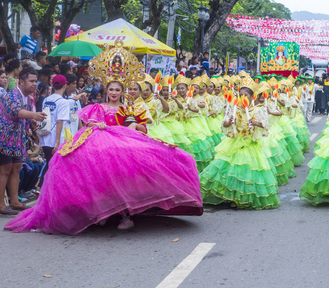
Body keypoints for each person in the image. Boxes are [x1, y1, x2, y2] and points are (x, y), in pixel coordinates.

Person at [5, 40, 202, 233]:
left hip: (122, 149)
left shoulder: (129, 108)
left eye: (117, 90)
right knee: (87, 171)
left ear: (122, 91)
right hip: (100, 147)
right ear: (106, 90)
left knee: (127, 178)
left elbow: (140, 128)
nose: (114, 93)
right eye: (111, 89)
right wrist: (96, 124)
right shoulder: (97, 107)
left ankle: (126, 215)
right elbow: (87, 123)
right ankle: (99, 211)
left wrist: (134, 125)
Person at [200, 77, 280, 209]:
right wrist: (228, 122)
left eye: (246, 95)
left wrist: (256, 123)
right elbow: (225, 125)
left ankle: (243, 197)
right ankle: (230, 196)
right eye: (240, 95)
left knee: (247, 171)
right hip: (235, 143)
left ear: (252, 96)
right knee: (230, 170)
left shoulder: (258, 110)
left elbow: (265, 125)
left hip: (251, 144)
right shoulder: (235, 109)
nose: (243, 97)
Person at [0, 68, 46, 215]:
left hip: (17, 139)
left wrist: (31, 121)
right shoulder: (14, 94)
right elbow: (16, 112)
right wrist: (34, 115)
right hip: (5, 138)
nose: (34, 84)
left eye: (35, 82)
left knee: (16, 168)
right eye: (31, 81)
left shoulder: (28, 96)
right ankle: (1, 204)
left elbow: (22, 115)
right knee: (5, 169)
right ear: (21, 81)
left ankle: (14, 201)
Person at [39, 75, 71, 187]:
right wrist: (57, 142)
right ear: (65, 85)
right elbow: (59, 122)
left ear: (53, 85)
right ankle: (45, 189)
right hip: (54, 139)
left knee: (49, 164)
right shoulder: (64, 102)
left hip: (44, 137)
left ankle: (45, 189)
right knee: (54, 167)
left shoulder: (46, 100)